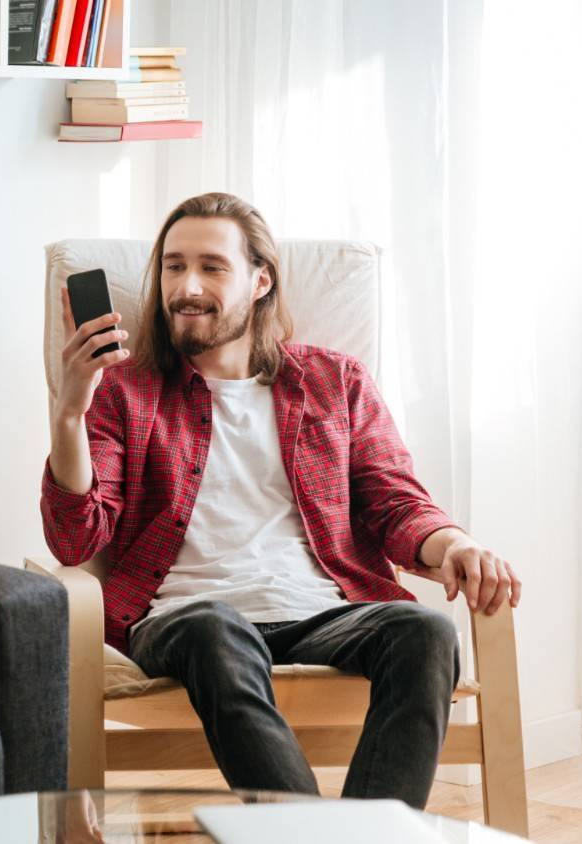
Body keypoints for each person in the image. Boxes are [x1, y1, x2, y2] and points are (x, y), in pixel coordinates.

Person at [39, 192, 522, 808]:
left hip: (324, 612)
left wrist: (456, 542)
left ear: (260, 279)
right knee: (217, 626)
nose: (186, 286)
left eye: (212, 267)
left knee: (426, 631)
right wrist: (70, 410)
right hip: (187, 618)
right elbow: (76, 539)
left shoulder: (333, 381)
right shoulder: (123, 393)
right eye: (173, 266)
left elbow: (394, 500)